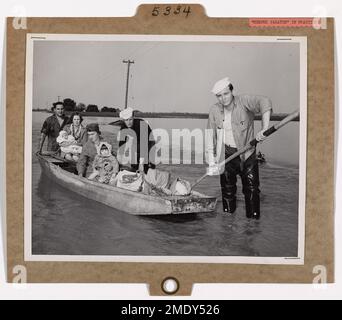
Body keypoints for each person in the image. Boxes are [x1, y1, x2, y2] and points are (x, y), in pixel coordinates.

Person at [206, 77, 272, 219]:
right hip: (226, 156)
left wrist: (264, 129)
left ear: (232, 91)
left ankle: (253, 224)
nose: (223, 99)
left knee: (252, 190)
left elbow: (265, 102)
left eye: (226, 94)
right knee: (227, 191)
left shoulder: (244, 101)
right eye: (219, 96)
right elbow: (210, 137)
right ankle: (228, 224)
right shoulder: (214, 111)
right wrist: (212, 162)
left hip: (247, 154)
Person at [116, 107, 155, 173]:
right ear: (123, 120)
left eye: (130, 119)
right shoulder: (123, 126)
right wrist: (118, 160)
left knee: (146, 163)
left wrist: (142, 163)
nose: (128, 122)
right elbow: (122, 143)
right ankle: (135, 174)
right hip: (137, 140)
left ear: (133, 117)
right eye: (126, 120)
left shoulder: (142, 124)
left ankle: (149, 174)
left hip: (149, 141)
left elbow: (144, 145)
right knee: (134, 162)